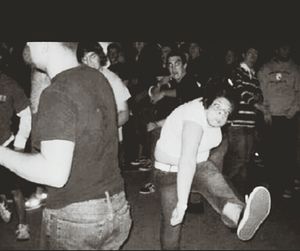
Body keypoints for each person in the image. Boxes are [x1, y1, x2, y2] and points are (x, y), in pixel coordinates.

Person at [0, 42, 132, 250]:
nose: (25, 44)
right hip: (116, 207)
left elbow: (54, 174)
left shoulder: (57, 93)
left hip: (78, 219)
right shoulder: (97, 77)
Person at [153, 85, 271, 250]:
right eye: (217, 107)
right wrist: (182, 205)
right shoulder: (195, 117)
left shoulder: (207, 112)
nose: (221, 114)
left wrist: (158, 123)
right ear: (207, 104)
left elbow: (180, 117)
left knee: (213, 177)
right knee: (173, 222)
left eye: (226, 112)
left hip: (197, 166)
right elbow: (187, 160)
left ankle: (239, 215)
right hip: (168, 172)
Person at [139, 49, 204, 194]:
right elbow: (152, 98)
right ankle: (161, 178)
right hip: (171, 125)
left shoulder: (191, 81)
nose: (173, 68)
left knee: (157, 133)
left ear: (185, 65)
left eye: (177, 64)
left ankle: (155, 180)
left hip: (189, 128)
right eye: (170, 65)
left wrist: (163, 93)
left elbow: (185, 93)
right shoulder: (171, 83)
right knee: (153, 130)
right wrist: (161, 84)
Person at [223, 44, 271, 196]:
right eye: (251, 53)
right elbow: (241, 92)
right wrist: (259, 105)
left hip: (250, 122)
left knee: (247, 160)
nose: (254, 56)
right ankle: (220, 186)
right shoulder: (237, 71)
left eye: (256, 54)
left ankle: (239, 195)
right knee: (239, 159)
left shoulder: (254, 76)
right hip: (237, 122)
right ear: (243, 54)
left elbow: (259, 95)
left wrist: (256, 99)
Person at [77, 42, 131, 171]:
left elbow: (124, 113)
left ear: (100, 57)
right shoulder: (79, 80)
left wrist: (104, 129)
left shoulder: (112, 79)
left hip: (109, 142)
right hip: (85, 142)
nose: (89, 63)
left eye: (92, 57)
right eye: (84, 59)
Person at [257, 42, 300, 198]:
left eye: (287, 47)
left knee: (287, 152)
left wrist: (295, 109)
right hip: (271, 116)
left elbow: (299, 91)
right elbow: (260, 90)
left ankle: (287, 184)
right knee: (270, 151)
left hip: (289, 116)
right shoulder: (266, 68)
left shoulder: (295, 69)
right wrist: (265, 111)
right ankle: (271, 182)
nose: (285, 50)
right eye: (282, 47)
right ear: (276, 49)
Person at [0, 53, 32, 240]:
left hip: (5, 145)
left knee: (15, 189)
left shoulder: (9, 84)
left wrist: (19, 144)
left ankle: (23, 225)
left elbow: (26, 114)